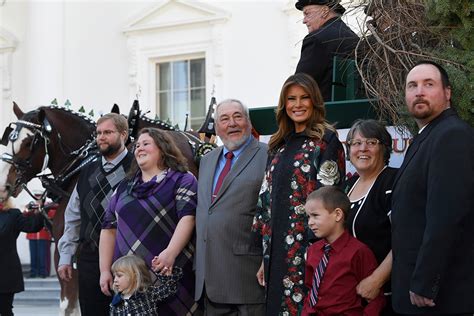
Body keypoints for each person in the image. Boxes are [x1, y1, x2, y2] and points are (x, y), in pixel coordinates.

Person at [252, 73, 345, 315]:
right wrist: (266, 256)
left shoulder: (326, 142)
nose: (298, 104)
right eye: (291, 99)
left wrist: (318, 252)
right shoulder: (277, 145)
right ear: (284, 105)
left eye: (304, 97)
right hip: (276, 253)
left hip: (310, 251)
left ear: (314, 101)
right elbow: (265, 201)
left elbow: (332, 200)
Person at [391, 61, 474, 314]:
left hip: (438, 299)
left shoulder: (452, 135)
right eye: (412, 86)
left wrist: (426, 282)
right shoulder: (426, 137)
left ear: (447, 93)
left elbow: (446, 216)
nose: (419, 92)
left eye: (429, 84)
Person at [99, 127, 198, 315]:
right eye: (137, 145)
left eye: (146, 144)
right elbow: (108, 228)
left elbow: (188, 217)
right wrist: (105, 270)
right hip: (129, 278)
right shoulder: (122, 187)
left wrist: (170, 253)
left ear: (163, 148)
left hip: (169, 270)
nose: (139, 149)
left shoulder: (183, 180)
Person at [195, 99, 267, 315]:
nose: (232, 123)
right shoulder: (207, 160)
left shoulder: (269, 154)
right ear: (217, 128)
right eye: (224, 119)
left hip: (247, 279)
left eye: (238, 116)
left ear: (248, 122)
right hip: (209, 281)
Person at [57, 113, 133, 315]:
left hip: (129, 259)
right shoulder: (86, 171)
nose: (101, 137)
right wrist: (66, 256)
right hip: (90, 259)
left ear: (123, 134)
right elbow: (73, 217)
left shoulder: (137, 168)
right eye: (98, 133)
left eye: (108, 132)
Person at [302, 186, 386, 315]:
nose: (310, 222)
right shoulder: (313, 250)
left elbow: (376, 298)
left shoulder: (359, 252)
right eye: (308, 217)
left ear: (337, 214)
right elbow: (310, 288)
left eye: (315, 216)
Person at [344, 119, 399, 315]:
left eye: (371, 142)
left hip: (386, 297)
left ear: (384, 148)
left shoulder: (394, 181)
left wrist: (377, 280)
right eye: (356, 143)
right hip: (351, 298)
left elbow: (405, 238)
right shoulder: (347, 187)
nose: (363, 148)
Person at [294, 0, 359, 101]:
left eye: (307, 13)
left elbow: (299, 85)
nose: (304, 20)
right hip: (355, 110)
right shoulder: (354, 38)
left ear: (325, 11)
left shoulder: (316, 39)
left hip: (325, 111)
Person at [0, 196, 44, 316]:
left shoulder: (13, 215)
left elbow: (32, 227)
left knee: (4, 310)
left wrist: (38, 212)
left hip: (6, 272)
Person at [109, 254, 182, 315]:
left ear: (135, 276)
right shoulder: (115, 304)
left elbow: (170, 289)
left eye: (119, 276)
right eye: (114, 276)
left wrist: (163, 273)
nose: (115, 280)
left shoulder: (148, 293)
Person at [24, 197, 56, 278]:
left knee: (43, 255)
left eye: (39, 199)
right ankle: (33, 272)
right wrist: (30, 209)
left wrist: (44, 209)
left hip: (43, 235)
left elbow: (53, 215)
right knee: (33, 255)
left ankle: (43, 272)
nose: (38, 201)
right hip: (32, 235)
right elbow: (24, 214)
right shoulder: (32, 207)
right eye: (37, 199)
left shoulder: (47, 207)